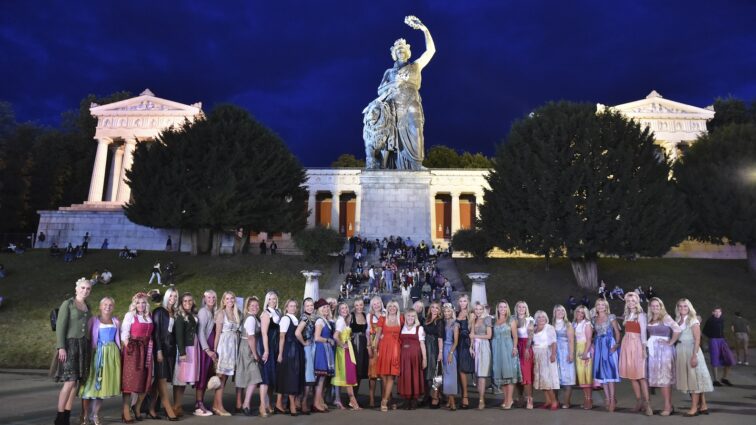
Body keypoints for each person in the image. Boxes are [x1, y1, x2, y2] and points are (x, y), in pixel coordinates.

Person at [52, 278, 93, 425]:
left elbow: (88, 327)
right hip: (70, 345)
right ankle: (59, 417)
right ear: (76, 289)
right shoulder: (68, 304)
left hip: (83, 346)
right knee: (69, 382)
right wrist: (61, 347)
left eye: (88, 289)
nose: (85, 291)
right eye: (82, 288)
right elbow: (60, 327)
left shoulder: (88, 306)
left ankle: (67, 417)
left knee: (75, 383)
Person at [79, 297, 120, 425]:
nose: (108, 307)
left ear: (113, 307)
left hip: (111, 356)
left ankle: (95, 414)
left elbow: (119, 337)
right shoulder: (94, 320)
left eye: (110, 305)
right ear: (100, 306)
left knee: (103, 388)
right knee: (89, 385)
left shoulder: (116, 321)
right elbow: (87, 337)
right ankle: (85, 415)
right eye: (105, 304)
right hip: (97, 354)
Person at [675, 299, 714, 416]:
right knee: (693, 379)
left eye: (685, 307)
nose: (682, 309)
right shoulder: (678, 320)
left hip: (691, 350)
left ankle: (694, 408)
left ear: (689, 308)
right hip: (681, 350)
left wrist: (694, 356)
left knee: (694, 380)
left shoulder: (693, 320)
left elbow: (697, 339)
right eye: (680, 306)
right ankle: (703, 406)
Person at [120, 292, 153, 423]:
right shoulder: (130, 316)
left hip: (146, 350)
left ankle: (137, 408)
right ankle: (126, 410)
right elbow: (124, 334)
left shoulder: (148, 316)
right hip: (133, 351)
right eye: (138, 302)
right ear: (134, 304)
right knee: (130, 382)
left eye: (143, 302)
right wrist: (130, 349)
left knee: (145, 381)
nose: (141, 305)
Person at [646, 297, 681, 416]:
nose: (655, 308)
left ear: (661, 306)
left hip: (664, 351)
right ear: (650, 307)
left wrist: (671, 342)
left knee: (665, 379)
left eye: (658, 306)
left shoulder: (666, 317)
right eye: (653, 306)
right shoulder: (650, 318)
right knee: (659, 380)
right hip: (653, 351)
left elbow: (677, 329)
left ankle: (667, 406)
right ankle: (668, 405)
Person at [148, 288, 178, 420]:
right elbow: (156, 333)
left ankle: (150, 408)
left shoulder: (174, 312)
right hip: (160, 349)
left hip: (170, 349)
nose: (173, 298)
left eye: (175, 296)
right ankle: (167, 406)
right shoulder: (160, 311)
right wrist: (158, 350)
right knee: (162, 378)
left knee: (158, 382)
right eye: (171, 295)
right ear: (166, 296)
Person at [619, 292, 652, 415]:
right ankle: (639, 402)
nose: (630, 303)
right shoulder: (627, 315)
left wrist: (644, 349)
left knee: (641, 376)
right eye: (628, 301)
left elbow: (643, 333)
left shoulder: (641, 315)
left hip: (637, 344)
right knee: (632, 376)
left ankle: (647, 404)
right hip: (627, 344)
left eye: (633, 301)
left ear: (637, 302)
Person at [173, 292, 203, 417]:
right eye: (185, 301)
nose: (187, 303)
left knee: (185, 379)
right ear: (181, 302)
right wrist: (182, 352)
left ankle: (178, 405)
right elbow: (179, 335)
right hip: (185, 349)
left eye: (190, 300)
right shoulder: (180, 316)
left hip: (193, 348)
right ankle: (176, 406)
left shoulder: (192, 314)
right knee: (180, 379)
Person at [592, 298, 621, 412]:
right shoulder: (594, 319)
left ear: (606, 306)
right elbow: (595, 334)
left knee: (610, 373)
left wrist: (616, 345)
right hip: (599, 346)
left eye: (602, 305)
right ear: (596, 306)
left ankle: (612, 399)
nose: (600, 306)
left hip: (609, 344)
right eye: (598, 304)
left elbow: (617, 331)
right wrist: (594, 344)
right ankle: (607, 398)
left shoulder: (611, 317)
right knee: (602, 374)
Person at [491, 300, 520, 409]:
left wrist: (514, 347)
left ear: (507, 308)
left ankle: (509, 400)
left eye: (504, 307)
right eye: (500, 307)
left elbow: (515, 336)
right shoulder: (495, 320)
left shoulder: (511, 320)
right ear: (497, 308)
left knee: (509, 374)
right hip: (497, 348)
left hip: (508, 347)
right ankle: (507, 398)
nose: (502, 309)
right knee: (501, 375)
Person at [277, 299, 304, 414]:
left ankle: (285, 403)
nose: (293, 308)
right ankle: (291, 403)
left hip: (295, 349)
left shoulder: (295, 319)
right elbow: (282, 336)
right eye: (291, 306)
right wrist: (280, 353)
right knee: (291, 377)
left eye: (295, 306)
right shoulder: (285, 318)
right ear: (286, 307)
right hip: (288, 350)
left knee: (291, 376)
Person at [375, 300, 403, 412]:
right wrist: (375, 349)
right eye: (390, 306)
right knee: (384, 376)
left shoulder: (401, 318)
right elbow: (377, 336)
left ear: (397, 308)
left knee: (391, 376)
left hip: (395, 349)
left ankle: (384, 401)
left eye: (394, 306)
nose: (392, 308)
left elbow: (410, 325)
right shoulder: (382, 319)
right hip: (383, 348)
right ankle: (390, 400)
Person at [333, 303, 361, 410]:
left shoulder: (344, 320)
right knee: (349, 374)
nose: (344, 310)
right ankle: (353, 401)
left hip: (346, 349)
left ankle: (350, 401)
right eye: (342, 308)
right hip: (344, 351)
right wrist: (342, 345)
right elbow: (335, 336)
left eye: (346, 308)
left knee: (348, 374)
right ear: (339, 310)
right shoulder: (340, 321)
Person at [194, 290, 217, 416]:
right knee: (202, 376)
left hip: (211, 349)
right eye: (209, 297)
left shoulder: (213, 311)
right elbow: (201, 331)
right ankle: (198, 403)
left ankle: (201, 401)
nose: (211, 299)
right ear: (204, 298)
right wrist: (207, 349)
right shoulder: (203, 311)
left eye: (213, 297)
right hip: (205, 349)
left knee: (207, 375)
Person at [258, 291, 281, 416]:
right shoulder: (265, 314)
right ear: (267, 300)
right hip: (267, 346)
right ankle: (262, 405)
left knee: (272, 377)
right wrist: (266, 350)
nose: (273, 301)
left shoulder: (278, 312)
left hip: (275, 346)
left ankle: (268, 403)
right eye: (270, 299)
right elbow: (264, 333)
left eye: (275, 299)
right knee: (266, 377)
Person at [398, 309, 427, 409]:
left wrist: (424, 359)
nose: (410, 318)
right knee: (405, 377)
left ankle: (414, 400)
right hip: (404, 357)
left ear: (416, 318)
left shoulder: (419, 328)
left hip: (415, 357)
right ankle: (406, 400)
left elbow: (422, 344)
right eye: (409, 316)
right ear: (405, 317)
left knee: (415, 376)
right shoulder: (402, 327)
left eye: (413, 316)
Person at [532, 310, 560, 410]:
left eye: (543, 317)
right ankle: (547, 400)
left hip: (546, 354)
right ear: (536, 319)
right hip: (536, 355)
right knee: (541, 379)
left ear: (546, 318)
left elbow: (554, 342)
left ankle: (554, 401)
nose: (541, 319)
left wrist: (553, 354)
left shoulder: (549, 328)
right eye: (539, 317)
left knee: (546, 379)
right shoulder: (534, 329)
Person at [703, 307, 736, 386]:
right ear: (713, 312)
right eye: (716, 312)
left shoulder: (722, 319)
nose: (718, 313)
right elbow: (704, 332)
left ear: (721, 313)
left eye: (719, 312)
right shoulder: (710, 320)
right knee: (715, 360)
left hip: (722, 340)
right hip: (713, 340)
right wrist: (709, 340)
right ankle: (715, 380)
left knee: (730, 359)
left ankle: (724, 378)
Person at [312, 298, 335, 412]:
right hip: (321, 350)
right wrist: (328, 340)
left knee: (323, 378)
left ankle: (320, 401)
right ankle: (316, 403)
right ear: (319, 310)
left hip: (325, 350)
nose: (326, 309)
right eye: (323, 307)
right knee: (320, 378)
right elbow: (317, 337)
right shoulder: (320, 321)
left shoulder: (325, 320)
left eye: (327, 307)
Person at [295, 298, 316, 414]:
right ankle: (302, 403)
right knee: (308, 376)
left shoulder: (311, 317)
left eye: (311, 305)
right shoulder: (304, 318)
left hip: (311, 347)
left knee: (308, 376)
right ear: (304, 307)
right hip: (307, 348)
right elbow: (297, 332)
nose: (310, 307)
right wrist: (303, 343)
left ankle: (301, 401)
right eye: (307, 306)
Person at [470, 303, 492, 410]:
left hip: (484, 346)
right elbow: (471, 335)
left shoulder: (487, 319)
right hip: (475, 347)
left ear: (483, 310)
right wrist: (471, 347)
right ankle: (481, 397)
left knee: (482, 375)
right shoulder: (473, 320)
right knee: (477, 375)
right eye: (476, 309)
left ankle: (481, 399)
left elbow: (489, 335)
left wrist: (475, 336)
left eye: (480, 309)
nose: (478, 311)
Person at [553, 305, 575, 408]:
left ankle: (566, 402)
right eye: (558, 310)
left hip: (565, 352)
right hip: (554, 352)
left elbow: (571, 340)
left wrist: (571, 354)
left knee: (567, 377)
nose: (560, 312)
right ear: (555, 312)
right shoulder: (551, 324)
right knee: (555, 378)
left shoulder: (568, 324)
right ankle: (555, 401)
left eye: (562, 310)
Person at [572, 305, 594, 410]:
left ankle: (589, 399)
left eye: (582, 312)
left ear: (585, 314)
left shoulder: (587, 324)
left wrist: (585, 353)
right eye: (578, 312)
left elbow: (589, 339)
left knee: (587, 375)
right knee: (581, 376)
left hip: (585, 348)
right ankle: (585, 398)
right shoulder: (574, 324)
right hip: (577, 349)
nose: (580, 314)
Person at [423, 302, 444, 408]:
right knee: (427, 372)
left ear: (439, 310)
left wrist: (440, 352)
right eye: (433, 307)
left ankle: (436, 396)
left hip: (435, 348)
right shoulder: (426, 320)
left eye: (437, 308)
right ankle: (428, 395)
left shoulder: (439, 321)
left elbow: (440, 338)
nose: (435, 309)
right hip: (426, 347)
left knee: (437, 372)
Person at [514, 301, 535, 409]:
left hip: (525, 347)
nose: (521, 308)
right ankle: (520, 397)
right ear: (516, 308)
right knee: (518, 374)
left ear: (526, 309)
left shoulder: (529, 320)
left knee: (526, 374)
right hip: (515, 347)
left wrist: (527, 348)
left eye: (523, 307)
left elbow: (530, 336)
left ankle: (529, 399)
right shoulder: (513, 319)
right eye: (519, 307)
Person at [455, 295, 474, 409]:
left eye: (465, 301)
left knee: (462, 370)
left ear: (468, 302)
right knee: (457, 370)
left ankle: (465, 396)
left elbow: (472, 331)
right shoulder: (456, 313)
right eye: (461, 301)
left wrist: (471, 346)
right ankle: (459, 395)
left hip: (465, 344)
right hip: (456, 343)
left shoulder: (470, 314)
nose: (463, 303)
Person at [366, 296, 384, 407]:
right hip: (373, 344)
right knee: (372, 373)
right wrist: (368, 346)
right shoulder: (369, 316)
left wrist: (380, 316)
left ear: (381, 304)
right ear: (372, 306)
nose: (376, 305)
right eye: (374, 304)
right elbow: (368, 332)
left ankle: (385, 398)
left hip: (384, 344)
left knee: (384, 372)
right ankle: (371, 398)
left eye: (378, 303)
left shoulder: (386, 313)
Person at [441, 303, 460, 410]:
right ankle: (449, 400)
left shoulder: (455, 324)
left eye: (449, 311)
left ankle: (452, 402)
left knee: (450, 376)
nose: (447, 313)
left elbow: (456, 342)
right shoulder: (443, 323)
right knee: (445, 374)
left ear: (452, 312)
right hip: (442, 349)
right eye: (445, 311)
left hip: (450, 350)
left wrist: (450, 353)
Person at [350, 299, 369, 390]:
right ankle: (352, 396)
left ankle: (355, 396)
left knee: (361, 369)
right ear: (354, 306)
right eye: (357, 305)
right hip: (355, 344)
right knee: (355, 369)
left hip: (363, 343)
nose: (359, 307)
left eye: (360, 305)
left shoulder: (365, 315)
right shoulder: (351, 316)